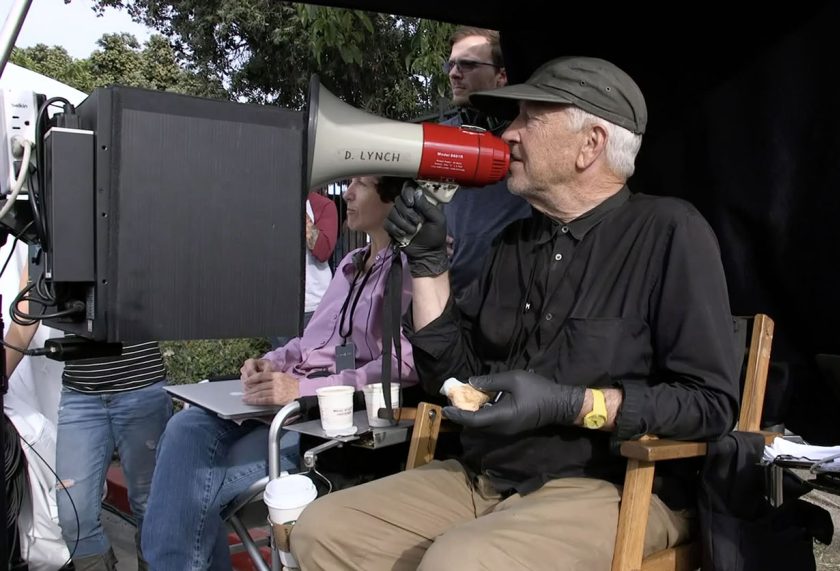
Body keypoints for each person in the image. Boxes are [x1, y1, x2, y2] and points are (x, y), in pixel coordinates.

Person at [290, 57, 741, 570]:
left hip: (611, 486)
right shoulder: (514, 242)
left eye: (530, 117)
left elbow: (710, 405)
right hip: (486, 474)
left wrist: (570, 403)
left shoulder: (669, 232)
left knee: (460, 562)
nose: (509, 134)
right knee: (322, 532)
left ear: (590, 144)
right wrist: (429, 265)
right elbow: (452, 374)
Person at [141, 176, 418, 571]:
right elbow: (309, 343)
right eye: (350, 182)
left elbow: (402, 366)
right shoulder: (349, 265)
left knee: (191, 487)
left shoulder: (411, 268)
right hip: (287, 408)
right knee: (186, 428)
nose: (350, 193)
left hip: (330, 424)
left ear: (395, 196)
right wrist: (272, 361)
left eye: (363, 184)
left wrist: (300, 389)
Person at [5, 263, 172, 571]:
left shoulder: (136, 221)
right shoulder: (47, 235)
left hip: (141, 388)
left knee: (151, 509)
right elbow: (27, 315)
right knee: (73, 517)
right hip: (80, 395)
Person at [441, 26, 531, 294]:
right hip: (451, 299)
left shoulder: (527, 136)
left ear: (502, 75)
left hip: (514, 299)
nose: (454, 73)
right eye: (451, 64)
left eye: (468, 64)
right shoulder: (442, 135)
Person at [270, 188, 339, 348]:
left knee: (317, 366)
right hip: (279, 306)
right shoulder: (271, 205)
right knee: (281, 366)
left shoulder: (322, 205)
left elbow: (323, 251)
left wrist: (297, 207)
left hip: (315, 305)